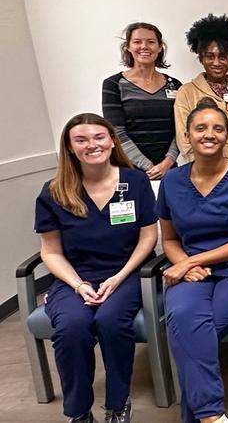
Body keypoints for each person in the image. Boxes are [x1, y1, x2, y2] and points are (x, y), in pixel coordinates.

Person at [157, 98, 228, 423]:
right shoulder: (171, 181)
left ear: (227, 136)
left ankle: (199, 417)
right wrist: (186, 264)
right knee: (183, 317)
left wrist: (188, 263)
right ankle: (213, 417)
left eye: (218, 128)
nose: (209, 134)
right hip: (192, 271)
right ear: (187, 135)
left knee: (191, 329)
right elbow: (169, 239)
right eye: (201, 128)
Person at [35, 114, 157, 423]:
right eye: (81, 139)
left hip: (126, 273)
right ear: (70, 147)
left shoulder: (135, 181)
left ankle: (117, 404)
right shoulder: (53, 191)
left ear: (112, 140)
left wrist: (118, 278)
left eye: (99, 137)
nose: (92, 145)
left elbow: (148, 236)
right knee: (71, 327)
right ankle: (79, 412)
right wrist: (77, 284)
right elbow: (50, 251)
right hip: (74, 277)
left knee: (111, 321)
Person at [102, 22, 182, 180]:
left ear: (160, 48)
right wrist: (149, 167)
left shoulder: (176, 85)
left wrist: (167, 163)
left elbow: (180, 129)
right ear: (128, 47)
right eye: (137, 42)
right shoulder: (113, 85)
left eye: (151, 42)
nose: (144, 46)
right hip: (130, 170)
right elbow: (116, 133)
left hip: (169, 170)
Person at [175, 14, 228, 164]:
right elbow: (183, 136)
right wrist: (206, 165)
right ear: (201, 58)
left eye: (223, 56)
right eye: (210, 56)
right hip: (202, 169)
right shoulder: (187, 92)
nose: (217, 63)